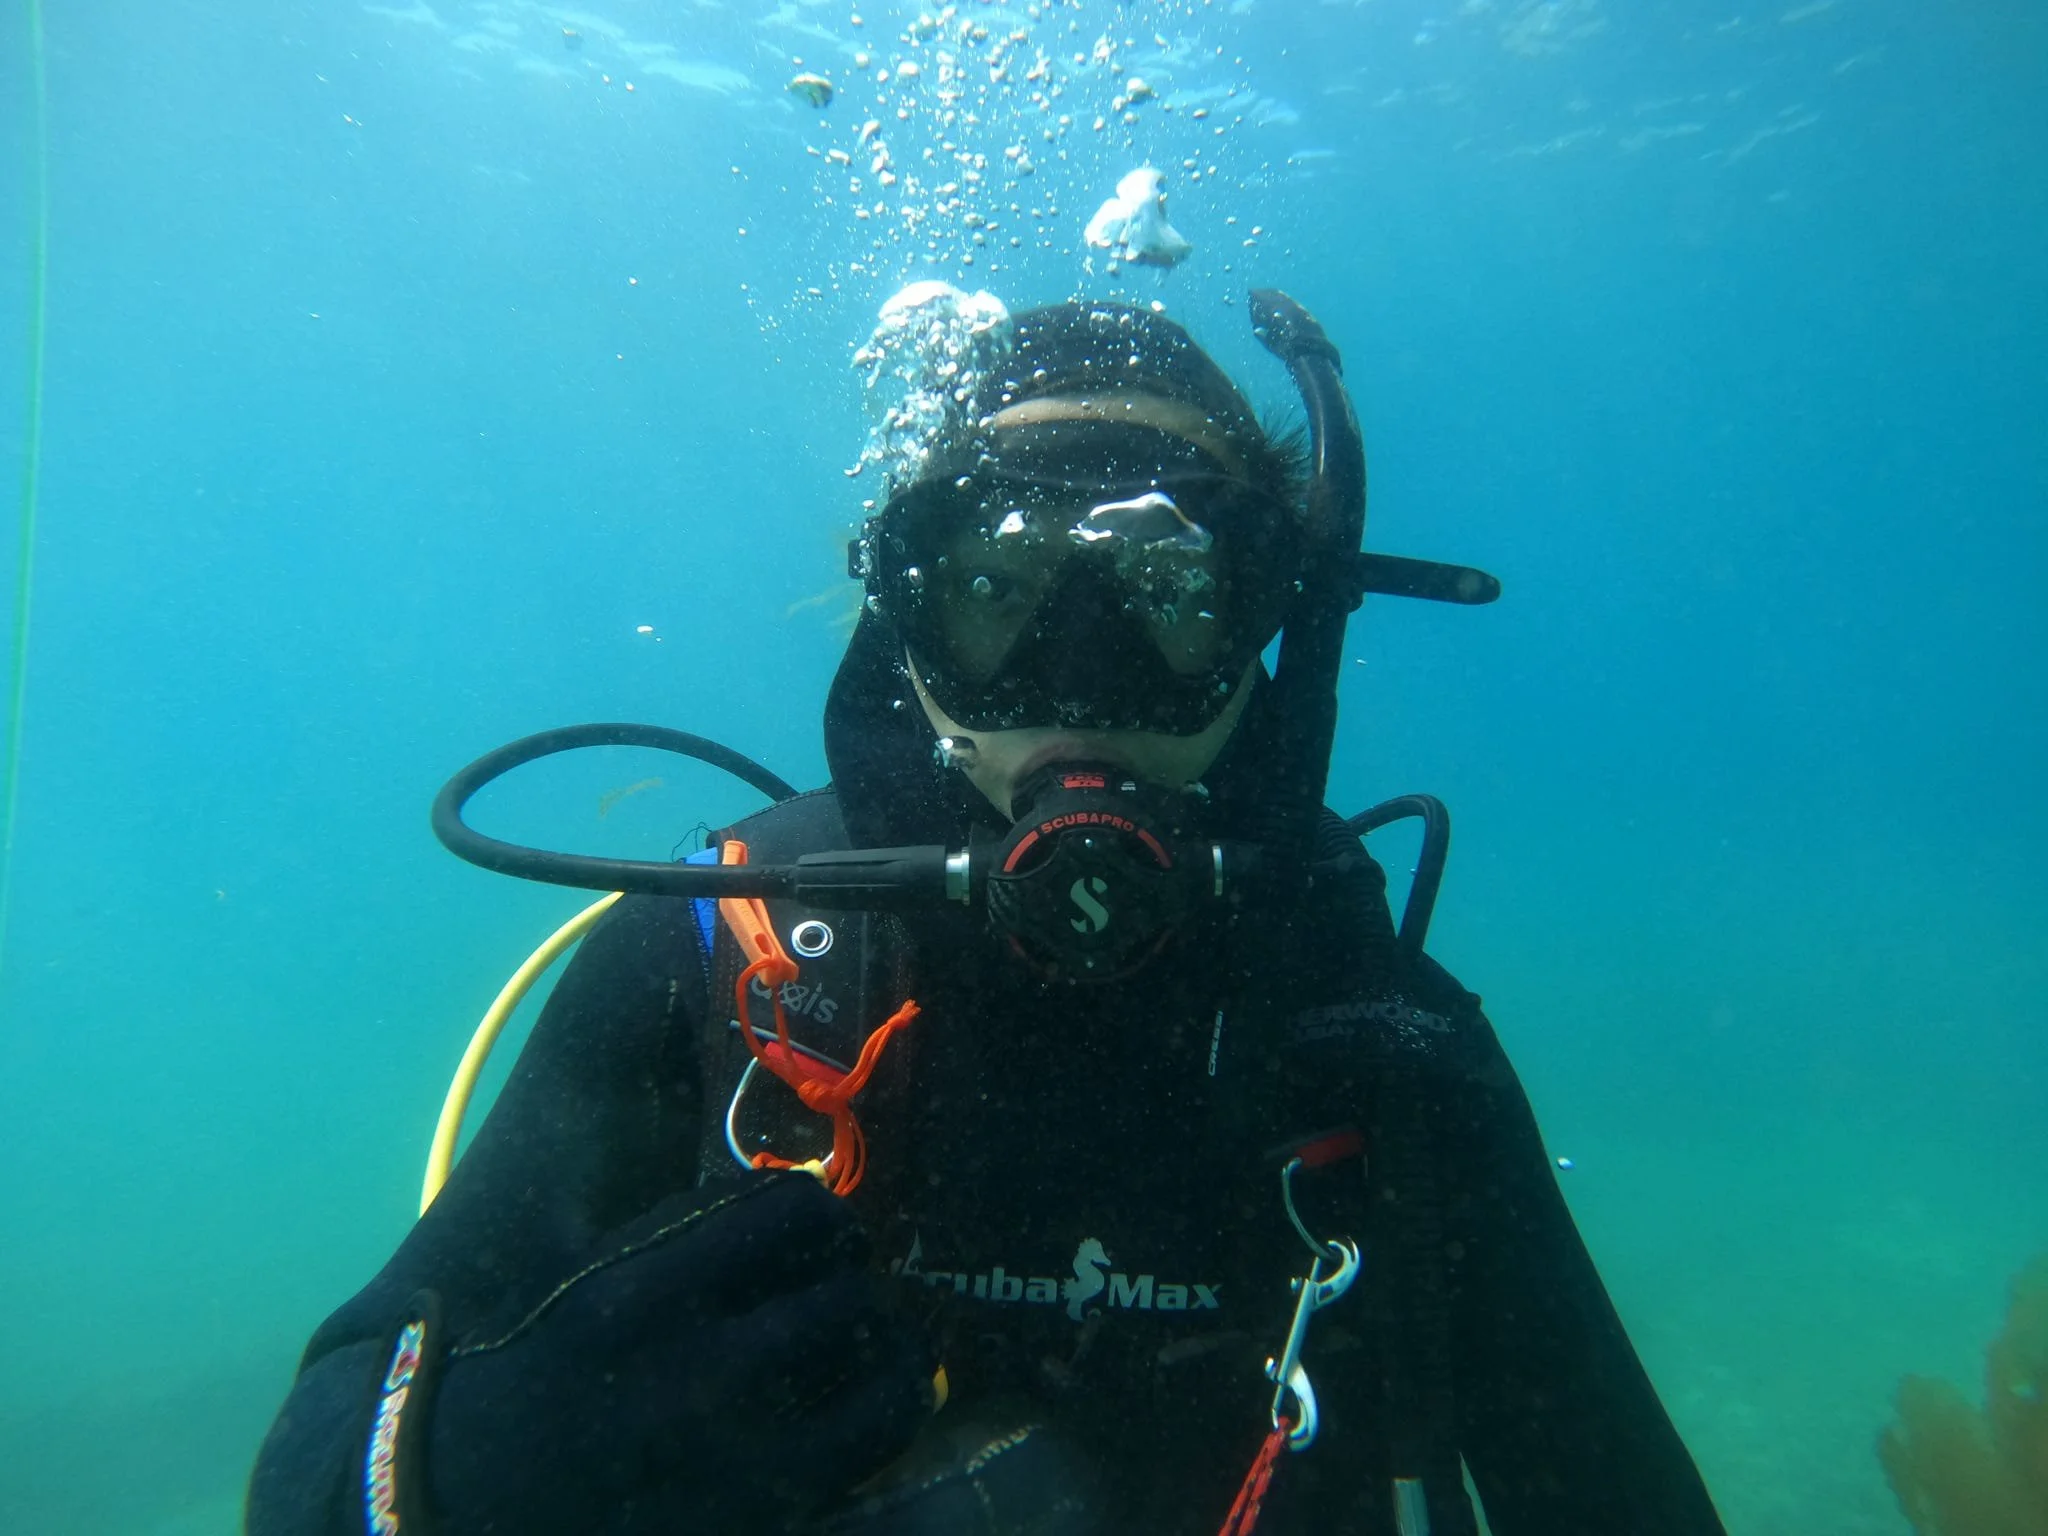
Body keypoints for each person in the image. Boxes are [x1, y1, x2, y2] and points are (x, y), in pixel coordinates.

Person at [247, 291, 1726, 1536]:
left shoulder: (1385, 1053)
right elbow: (323, 1448)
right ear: (904, 615)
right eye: (996, 591)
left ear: (1277, 623)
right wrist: (456, 1469)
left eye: (1170, 595)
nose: (1081, 679)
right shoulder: (731, 961)